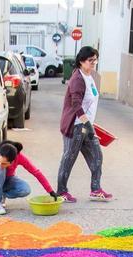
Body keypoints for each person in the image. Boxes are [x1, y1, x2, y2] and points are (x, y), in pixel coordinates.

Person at [55, 46, 112, 203]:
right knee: (69, 158)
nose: (93, 63)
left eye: (95, 60)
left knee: (97, 156)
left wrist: (90, 124)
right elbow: (76, 105)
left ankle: (96, 189)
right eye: (90, 60)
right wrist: (88, 125)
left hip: (86, 125)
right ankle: (61, 191)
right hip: (76, 126)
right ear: (81, 61)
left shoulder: (89, 76)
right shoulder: (77, 79)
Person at [0, 141, 55, 217]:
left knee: (25, 190)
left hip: (7, 180)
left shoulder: (19, 157)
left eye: (4, 163)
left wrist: (50, 191)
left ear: (12, 161)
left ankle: (1, 194)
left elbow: (36, 172)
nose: (0, 164)